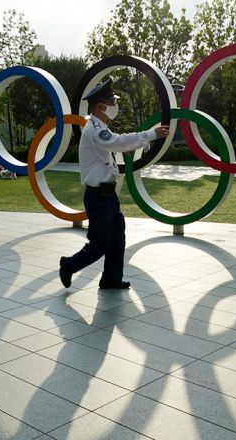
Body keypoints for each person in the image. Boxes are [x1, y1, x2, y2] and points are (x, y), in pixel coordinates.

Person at [59, 79, 169, 290]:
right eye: (112, 101)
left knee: (117, 240)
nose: (115, 105)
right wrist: (151, 134)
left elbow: (112, 148)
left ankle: (111, 278)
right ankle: (69, 264)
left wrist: (137, 144)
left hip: (108, 196)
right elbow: (117, 142)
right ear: (101, 107)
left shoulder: (98, 127)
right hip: (98, 197)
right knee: (98, 244)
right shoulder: (95, 129)